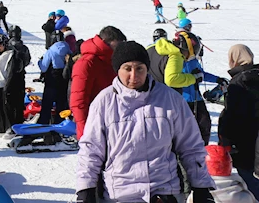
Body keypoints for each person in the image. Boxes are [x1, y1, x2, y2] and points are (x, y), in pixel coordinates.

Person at [76, 41, 215, 203]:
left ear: (147, 69)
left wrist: (201, 187)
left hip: (164, 191)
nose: (134, 76)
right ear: (117, 70)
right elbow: (91, 150)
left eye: (139, 68)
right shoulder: (104, 102)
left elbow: (191, 147)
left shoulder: (170, 99)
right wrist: (85, 189)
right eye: (127, 69)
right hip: (120, 194)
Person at [69, 26, 126, 139]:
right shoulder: (87, 63)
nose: (119, 50)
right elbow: (78, 101)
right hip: (94, 126)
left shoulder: (111, 61)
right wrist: (85, 132)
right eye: (118, 45)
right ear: (106, 42)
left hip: (113, 125)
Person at [218, 44, 259, 200]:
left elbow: (232, 116)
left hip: (245, 144)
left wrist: (225, 139)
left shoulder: (239, 82)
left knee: (251, 186)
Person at [0, 33, 25, 135]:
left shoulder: (10, 54)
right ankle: (2, 128)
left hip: (6, 85)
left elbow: (11, 72)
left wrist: (8, 86)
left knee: (7, 108)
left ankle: (10, 128)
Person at [37, 31, 71, 125]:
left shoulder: (51, 50)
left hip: (52, 79)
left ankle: (43, 124)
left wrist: (40, 62)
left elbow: (44, 67)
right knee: (61, 104)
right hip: (63, 79)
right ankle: (60, 124)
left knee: (47, 104)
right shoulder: (67, 48)